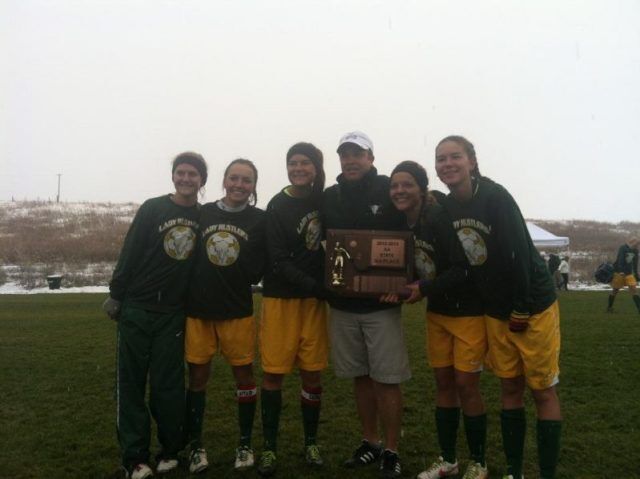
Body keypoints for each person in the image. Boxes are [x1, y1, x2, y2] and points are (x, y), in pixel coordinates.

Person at [435, 135, 562, 479]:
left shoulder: (496, 198)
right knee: (509, 386)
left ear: (472, 161)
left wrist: (521, 305)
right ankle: (514, 471)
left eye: (455, 157)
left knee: (542, 389)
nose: (447, 164)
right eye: (441, 159)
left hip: (531, 304)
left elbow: (520, 253)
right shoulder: (448, 206)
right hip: (494, 309)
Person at [103, 152, 207, 479]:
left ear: (202, 180)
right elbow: (130, 250)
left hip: (173, 314)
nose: (186, 178)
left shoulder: (204, 217)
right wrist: (117, 294)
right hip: (137, 307)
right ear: (173, 176)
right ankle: (135, 457)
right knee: (132, 384)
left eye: (193, 174)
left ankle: (169, 450)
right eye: (181, 172)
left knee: (168, 386)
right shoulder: (153, 208)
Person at [385, 161, 489, 479]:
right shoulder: (404, 222)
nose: (400, 191)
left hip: (467, 312)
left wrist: (424, 287)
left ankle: (479, 462)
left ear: (422, 188)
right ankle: (448, 460)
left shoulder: (439, 216)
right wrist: (393, 288)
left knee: (466, 386)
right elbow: (417, 268)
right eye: (394, 186)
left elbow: (462, 268)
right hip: (438, 314)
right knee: (443, 385)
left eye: (407, 185)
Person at [321, 131, 409, 479]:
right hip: (343, 306)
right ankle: (370, 441)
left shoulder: (389, 188)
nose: (351, 160)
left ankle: (391, 449)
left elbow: (409, 237)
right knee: (359, 376)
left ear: (371, 158)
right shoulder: (330, 196)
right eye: (345, 155)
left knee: (386, 379)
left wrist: (402, 284)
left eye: (358, 154)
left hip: (381, 305)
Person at [183, 159, 266, 474]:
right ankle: (196, 447)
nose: (239, 185)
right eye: (234, 178)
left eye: (246, 180)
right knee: (198, 379)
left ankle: (244, 444)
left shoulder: (260, 219)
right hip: (199, 312)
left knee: (244, 378)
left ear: (253, 185)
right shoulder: (202, 213)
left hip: (236, 312)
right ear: (224, 180)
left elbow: (258, 266)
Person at [257, 142, 327, 476]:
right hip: (281, 299)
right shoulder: (278, 205)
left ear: (316, 167)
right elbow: (277, 260)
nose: (298, 168)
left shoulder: (324, 200)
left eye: (305, 163)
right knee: (274, 373)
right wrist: (316, 285)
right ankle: (269, 447)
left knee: (312, 374)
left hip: (313, 303)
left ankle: (310, 441)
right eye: (293, 163)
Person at [606, 238, 640, 314]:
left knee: (634, 291)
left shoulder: (635, 251)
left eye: (638, 245)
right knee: (615, 290)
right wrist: (621, 271)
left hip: (629, 274)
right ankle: (609, 308)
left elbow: (635, 263)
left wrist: (636, 275)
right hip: (619, 273)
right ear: (631, 242)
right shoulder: (623, 248)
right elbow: (620, 259)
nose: (637, 246)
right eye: (636, 244)